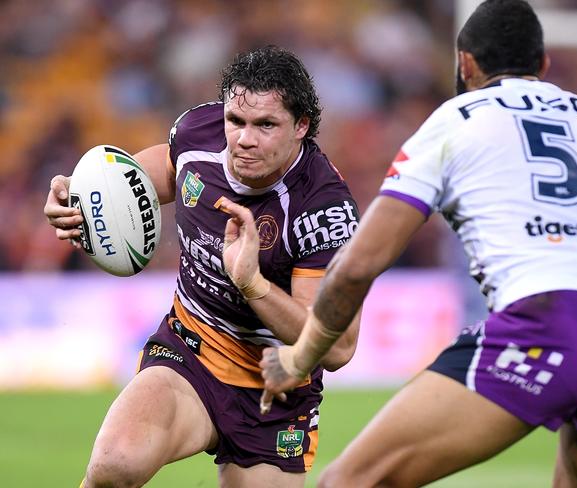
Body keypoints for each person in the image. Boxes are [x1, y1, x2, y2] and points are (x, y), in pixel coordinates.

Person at [259, 1, 577, 487]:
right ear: (542, 66)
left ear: (465, 64)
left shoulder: (457, 119)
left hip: (546, 321)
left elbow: (357, 265)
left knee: (349, 482)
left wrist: (299, 358)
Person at [43, 45, 362, 488]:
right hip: (190, 349)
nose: (244, 139)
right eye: (237, 121)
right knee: (114, 466)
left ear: (301, 127)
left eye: (266, 125)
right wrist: (78, 196)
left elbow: (339, 347)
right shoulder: (198, 132)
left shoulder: (322, 209)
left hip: (275, 390)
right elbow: (150, 176)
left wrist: (253, 284)